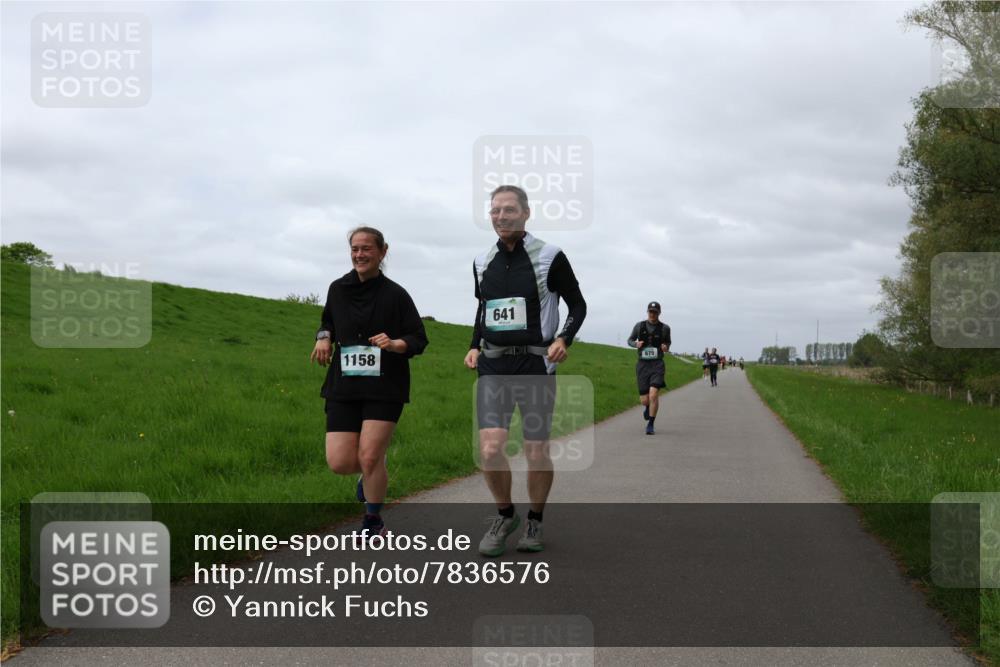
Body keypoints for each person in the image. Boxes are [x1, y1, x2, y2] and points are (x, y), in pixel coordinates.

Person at [464, 185, 586, 557]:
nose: (501, 216)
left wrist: (564, 338)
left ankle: (535, 518)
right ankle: (505, 514)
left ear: (526, 213)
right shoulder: (482, 261)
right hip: (494, 364)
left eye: (509, 210)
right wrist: (473, 344)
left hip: (535, 364)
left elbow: (577, 306)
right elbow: (484, 309)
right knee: (490, 448)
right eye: (495, 210)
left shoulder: (549, 256)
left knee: (535, 449)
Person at [311, 226, 428, 539]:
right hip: (344, 385)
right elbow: (327, 322)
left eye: (366, 248)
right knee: (339, 462)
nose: (360, 254)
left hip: (385, 386)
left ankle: (373, 521)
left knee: (369, 456)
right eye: (355, 249)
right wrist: (323, 338)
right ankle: (371, 467)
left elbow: (418, 338)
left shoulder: (396, 295)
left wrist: (394, 344)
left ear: (382, 252)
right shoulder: (338, 289)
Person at [627, 302, 671, 435]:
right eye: (650, 312)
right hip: (642, 364)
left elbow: (668, 342)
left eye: (655, 312)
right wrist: (635, 344)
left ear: (659, 313)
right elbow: (629, 340)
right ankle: (647, 407)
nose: (652, 314)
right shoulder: (639, 326)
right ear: (647, 312)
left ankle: (651, 424)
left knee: (653, 395)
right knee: (644, 399)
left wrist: (666, 347)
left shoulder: (665, 328)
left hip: (657, 364)